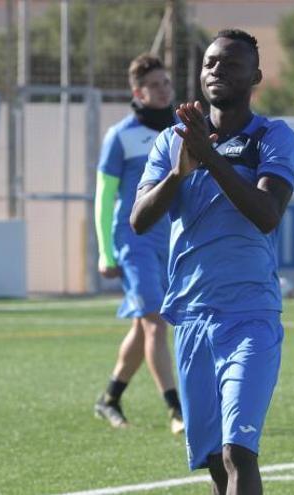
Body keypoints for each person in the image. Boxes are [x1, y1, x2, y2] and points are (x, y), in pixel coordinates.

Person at [131, 29, 294, 494]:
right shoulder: (172, 141)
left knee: (238, 451)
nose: (217, 71)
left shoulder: (273, 137)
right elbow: (140, 220)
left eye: (230, 63)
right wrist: (180, 171)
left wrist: (210, 158)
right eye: (209, 63)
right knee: (215, 463)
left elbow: (266, 214)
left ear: (256, 76)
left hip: (250, 316)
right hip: (192, 318)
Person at [92, 53, 183, 434]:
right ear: (138, 92)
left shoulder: (182, 129)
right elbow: (103, 195)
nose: (164, 90)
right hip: (134, 242)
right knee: (156, 325)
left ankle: (109, 398)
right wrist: (104, 251)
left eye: (166, 83)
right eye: (155, 85)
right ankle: (177, 411)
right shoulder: (121, 135)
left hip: (173, 241)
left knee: (143, 326)